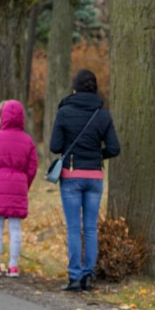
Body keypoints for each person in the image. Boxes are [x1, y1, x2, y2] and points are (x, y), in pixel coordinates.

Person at [50, 69, 120, 292]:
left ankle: (74, 277)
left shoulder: (64, 112)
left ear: (74, 89)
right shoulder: (102, 114)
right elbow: (114, 148)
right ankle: (88, 276)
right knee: (90, 229)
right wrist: (97, 155)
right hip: (95, 177)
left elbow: (55, 146)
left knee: (74, 228)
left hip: (71, 176)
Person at [0, 100, 38, 277]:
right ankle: (13, 266)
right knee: (15, 227)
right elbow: (32, 166)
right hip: (19, 186)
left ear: (3, 117)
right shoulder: (27, 140)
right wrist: (25, 184)